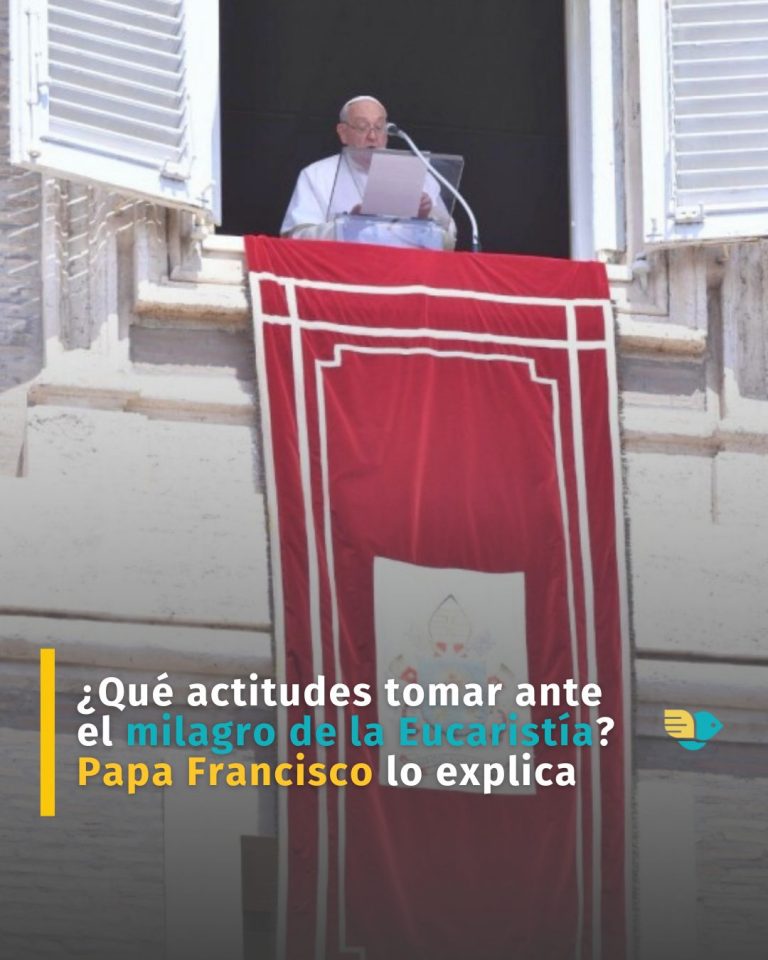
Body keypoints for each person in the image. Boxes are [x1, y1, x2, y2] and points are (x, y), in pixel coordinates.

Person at [280, 95, 455, 246]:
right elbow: (295, 238)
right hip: (345, 269)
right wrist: (348, 225)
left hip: (406, 270)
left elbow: (448, 241)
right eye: (362, 127)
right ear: (343, 132)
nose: (372, 136)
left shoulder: (417, 173)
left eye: (379, 127)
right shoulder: (316, 175)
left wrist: (424, 218)